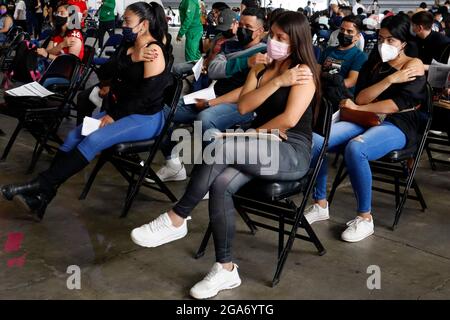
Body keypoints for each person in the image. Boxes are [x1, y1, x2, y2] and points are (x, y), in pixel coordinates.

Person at [131, 10, 320, 300]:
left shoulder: (303, 73)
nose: (275, 42)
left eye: (282, 39)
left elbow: (288, 121)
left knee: (221, 145)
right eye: (273, 36)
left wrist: (244, 135)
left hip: (290, 151)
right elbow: (244, 107)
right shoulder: (268, 68)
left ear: (297, 42)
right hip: (262, 144)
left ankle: (177, 217)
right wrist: (260, 74)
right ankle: (226, 268)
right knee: (220, 185)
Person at [1, 2, 172, 221]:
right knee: (74, 136)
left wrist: (114, 115)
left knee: (93, 140)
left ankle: (39, 186)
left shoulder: (153, 50)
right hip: (121, 111)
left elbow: (147, 96)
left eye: (128, 22)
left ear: (144, 24)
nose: (123, 25)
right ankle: (43, 195)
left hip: (146, 117)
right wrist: (131, 59)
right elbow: (104, 71)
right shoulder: (130, 46)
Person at [305, 14, 426, 243]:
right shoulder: (375, 63)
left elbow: (396, 105)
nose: (384, 45)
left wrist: (362, 107)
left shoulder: (413, 66)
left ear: (404, 43)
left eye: (391, 40)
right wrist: (390, 80)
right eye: (381, 39)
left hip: (397, 124)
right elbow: (360, 98)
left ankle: (364, 218)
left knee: (355, 148)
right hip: (366, 117)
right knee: (317, 141)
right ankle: (320, 203)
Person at [153, 7, 268, 183]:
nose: (242, 29)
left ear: (260, 31)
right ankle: (173, 164)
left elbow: (247, 91)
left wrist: (211, 103)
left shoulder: (264, 54)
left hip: (239, 104)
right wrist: (244, 62)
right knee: (161, 111)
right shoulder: (230, 44)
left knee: (206, 119)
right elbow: (214, 70)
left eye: (248, 27)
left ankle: (211, 177)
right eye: (241, 24)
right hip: (213, 94)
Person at [321, 15, 367, 94]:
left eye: (349, 31)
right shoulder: (328, 50)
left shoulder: (359, 56)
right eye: (342, 30)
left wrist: (331, 86)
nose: (344, 33)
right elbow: (317, 71)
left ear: (357, 37)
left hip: (341, 96)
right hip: (321, 91)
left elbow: (351, 81)